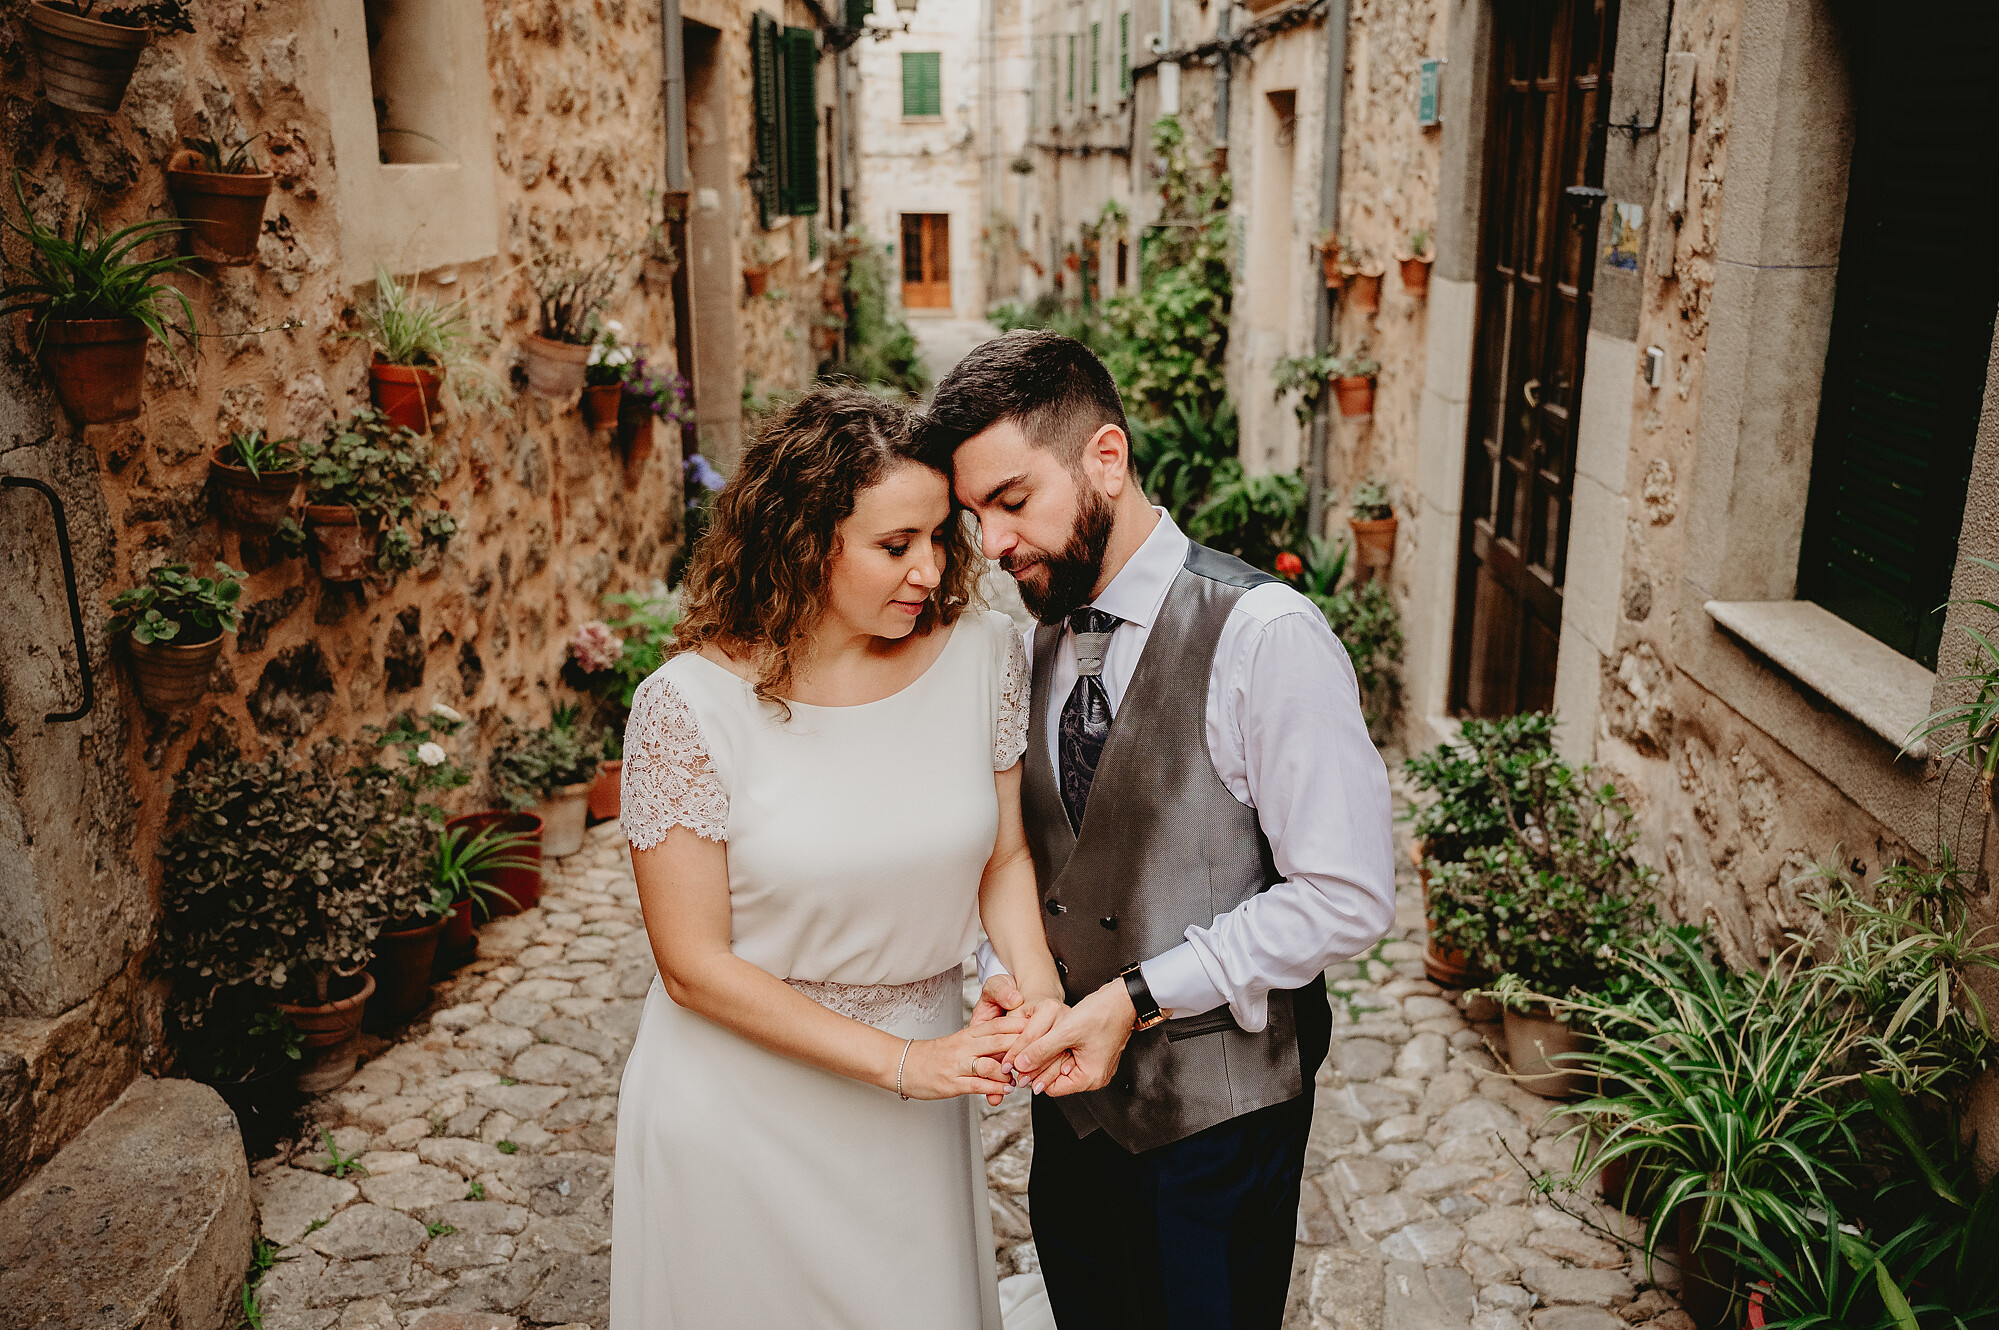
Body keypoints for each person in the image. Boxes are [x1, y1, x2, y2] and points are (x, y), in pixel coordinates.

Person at [925, 330, 1398, 1330]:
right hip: (1074, 1124)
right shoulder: (1030, 636)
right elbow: (1034, 854)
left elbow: (1345, 898)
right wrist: (1001, 967)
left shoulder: (1265, 637)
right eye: (976, 516)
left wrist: (1137, 997)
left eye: (1011, 502)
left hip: (1219, 1130)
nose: (993, 543)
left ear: (1106, 457)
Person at [609, 386, 1071, 1329]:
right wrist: (906, 1062)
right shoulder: (686, 709)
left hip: (913, 1113)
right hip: (740, 1111)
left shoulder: (982, 652)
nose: (929, 568)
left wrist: (1035, 988)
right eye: (894, 546)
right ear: (802, 539)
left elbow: (1004, 858)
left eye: (940, 537)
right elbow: (692, 969)